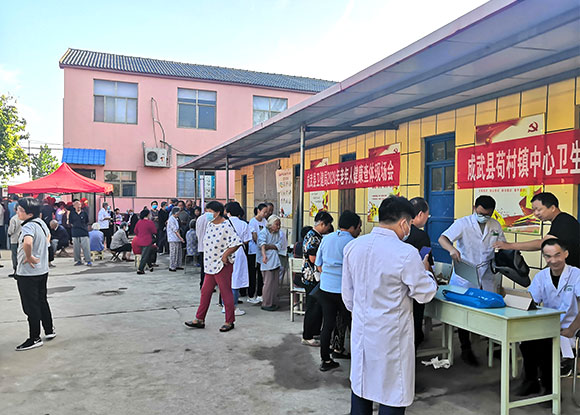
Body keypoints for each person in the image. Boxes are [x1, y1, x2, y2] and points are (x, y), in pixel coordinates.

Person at [342, 196, 438, 414]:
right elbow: (424, 293)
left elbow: (348, 297)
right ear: (404, 223)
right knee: (392, 393)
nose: (409, 230)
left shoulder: (354, 247)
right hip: (391, 337)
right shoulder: (406, 253)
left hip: (362, 332)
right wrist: (427, 273)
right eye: (410, 225)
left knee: (361, 386)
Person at [438, 195, 506, 366]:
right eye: (481, 213)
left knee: (491, 313)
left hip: (487, 275)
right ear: (475, 208)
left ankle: (494, 347)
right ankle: (465, 349)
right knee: (464, 315)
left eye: (488, 214)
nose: (484, 217)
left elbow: (503, 245)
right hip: (465, 276)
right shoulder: (463, 223)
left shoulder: (495, 225)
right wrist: (451, 249)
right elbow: (442, 239)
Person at [517, 239, 580, 397]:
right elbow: (532, 300)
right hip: (547, 325)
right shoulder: (541, 276)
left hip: (571, 327)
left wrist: (571, 329)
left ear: (565, 254)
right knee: (526, 341)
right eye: (548, 256)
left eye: (557, 255)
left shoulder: (576, 275)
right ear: (544, 257)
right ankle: (531, 381)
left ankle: (550, 390)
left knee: (545, 345)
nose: (553, 260)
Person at [184, 201, 242, 332]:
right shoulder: (210, 224)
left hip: (222, 265)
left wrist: (225, 255)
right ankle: (200, 319)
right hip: (209, 264)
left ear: (218, 212)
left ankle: (229, 321)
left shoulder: (226, 226)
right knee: (205, 292)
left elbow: (237, 242)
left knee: (225, 293)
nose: (207, 214)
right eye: (207, 211)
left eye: (210, 212)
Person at [315, 210, 361, 371]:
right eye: (359, 227)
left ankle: (325, 360)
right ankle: (358, 361)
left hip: (326, 288)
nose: (360, 230)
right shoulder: (354, 243)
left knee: (327, 324)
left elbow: (318, 264)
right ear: (352, 227)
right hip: (345, 290)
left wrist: (329, 275)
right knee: (352, 324)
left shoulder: (326, 239)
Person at [13, 198, 56, 351]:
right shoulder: (41, 223)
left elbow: (27, 242)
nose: (17, 212)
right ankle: (49, 329)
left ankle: (34, 338)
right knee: (42, 301)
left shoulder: (28, 226)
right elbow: (48, 237)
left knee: (31, 306)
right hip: (42, 270)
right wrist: (41, 250)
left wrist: (30, 256)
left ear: (29, 213)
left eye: (20, 210)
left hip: (28, 273)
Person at [494, 192, 580, 267]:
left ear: (553, 208)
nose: (535, 214)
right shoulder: (561, 220)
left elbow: (542, 243)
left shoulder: (563, 221)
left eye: (538, 209)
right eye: (533, 210)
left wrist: (509, 246)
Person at [301, 211, 334, 347]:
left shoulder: (316, 236)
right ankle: (307, 336)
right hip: (311, 277)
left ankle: (314, 331)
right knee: (312, 307)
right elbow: (313, 259)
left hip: (314, 276)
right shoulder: (313, 237)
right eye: (328, 225)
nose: (329, 228)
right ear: (322, 224)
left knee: (317, 306)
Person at [405, 197, 434, 348]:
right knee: (415, 321)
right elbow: (425, 263)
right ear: (421, 214)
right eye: (428, 215)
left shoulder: (398, 233)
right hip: (415, 287)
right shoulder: (421, 236)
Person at [225, 201, 251, 316]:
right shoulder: (243, 224)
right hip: (239, 251)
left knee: (226, 279)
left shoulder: (224, 223)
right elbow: (246, 240)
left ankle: (225, 306)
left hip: (225, 252)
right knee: (236, 280)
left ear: (228, 212)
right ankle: (233, 307)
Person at [258, 215, 282, 311]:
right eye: (277, 224)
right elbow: (262, 245)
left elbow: (279, 245)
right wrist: (264, 255)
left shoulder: (277, 233)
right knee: (268, 283)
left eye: (279, 225)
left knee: (275, 283)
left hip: (275, 259)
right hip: (267, 260)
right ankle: (266, 303)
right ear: (271, 224)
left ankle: (274, 302)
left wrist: (270, 246)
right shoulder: (264, 232)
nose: (278, 227)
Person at [247, 203, 268, 304]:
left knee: (261, 273)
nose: (265, 214)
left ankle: (260, 294)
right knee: (252, 272)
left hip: (262, 251)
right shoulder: (253, 222)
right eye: (264, 212)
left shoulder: (265, 221)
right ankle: (251, 295)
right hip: (254, 250)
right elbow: (254, 235)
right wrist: (261, 244)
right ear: (258, 211)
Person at [134, 209, 158, 275]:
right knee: (144, 255)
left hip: (139, 240)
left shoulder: (139, 222)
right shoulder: (150, 222)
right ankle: (140, 269)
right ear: (148, 215)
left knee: (145, 254)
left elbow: (135, 231)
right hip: (147, 240)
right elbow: (154, 231)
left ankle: (150, 266)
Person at [69, 200, 92, 266]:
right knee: (76, 248)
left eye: (79, 205)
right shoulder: (72, 213)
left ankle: (88, 260)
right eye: (77, 205)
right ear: (74, 206)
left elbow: (87, 221)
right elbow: (71, 222)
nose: (78, 206)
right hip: (75, 232)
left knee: (86, 247)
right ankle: (78, 260)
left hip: (84, 232)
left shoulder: (84, 213)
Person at [195, 203, 212, 289]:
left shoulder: (199, 218)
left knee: (203, 268)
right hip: (209, 248)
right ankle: (207, 286)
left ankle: (202, 284)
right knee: (209, 268)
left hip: (201, 246)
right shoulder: (211, 219)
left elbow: (197, 232)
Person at [167, 207, 184, 272]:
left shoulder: (176, 219)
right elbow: (175, 230)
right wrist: (180, 238)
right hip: (173, 238)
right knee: (173, 253)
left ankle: (178, 265)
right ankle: (172, 266)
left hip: (177, 238)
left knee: (178, 253)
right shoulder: (171, 219)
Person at [7, 213, 22, 278]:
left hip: (14, 239)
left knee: (14, 255)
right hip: (22, 239)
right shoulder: (24, 218)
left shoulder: (14, 219)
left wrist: (9, 233)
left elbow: (11, 230)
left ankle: (16, 270)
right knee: (21, 255)